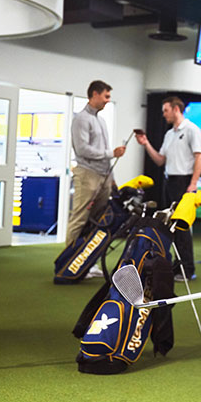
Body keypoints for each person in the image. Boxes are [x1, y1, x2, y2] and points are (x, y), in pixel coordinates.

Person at [135, 96, 201, 281]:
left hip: (185, 182)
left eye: (165, 110)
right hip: (169, 182)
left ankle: (188, 270)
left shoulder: (191, 130)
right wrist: (146, 143)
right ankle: (175, 268)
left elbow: (200, 157)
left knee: (181, 227)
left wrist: (193, 184)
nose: (163, 114)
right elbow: (160, 160)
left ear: (175, 109)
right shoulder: (169, 134)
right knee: (169, 227)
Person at [67, 80, 126, 278]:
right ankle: (69, 262)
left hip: (103, 176)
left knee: (97, 222)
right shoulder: (81, 119)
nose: (108, 101)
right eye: (106, 96)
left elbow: (106, 154)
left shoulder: (101, 120)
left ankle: (88, 263)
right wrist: (111, 153)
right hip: (87, 174)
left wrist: (112, 179)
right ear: (94, 94)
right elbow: (82, 149)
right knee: (80, 217)